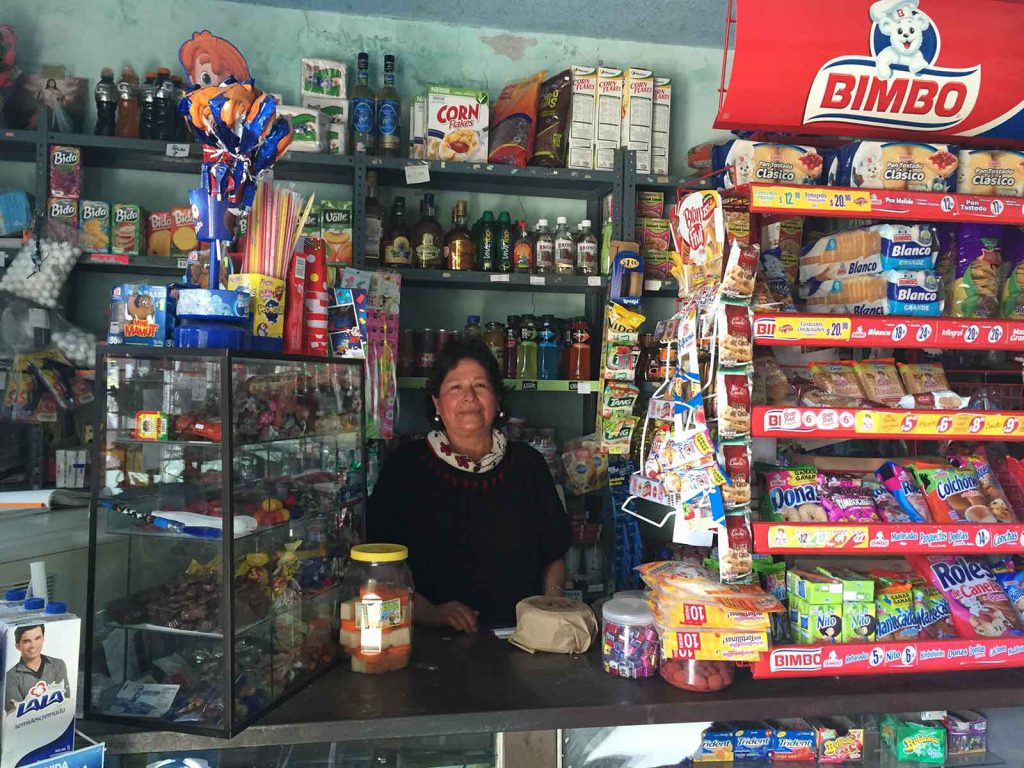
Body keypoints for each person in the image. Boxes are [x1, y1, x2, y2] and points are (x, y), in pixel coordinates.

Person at [368, 336, 571, 632]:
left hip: (521, 638)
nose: (469, 397)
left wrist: (550, 604)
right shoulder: (406, 467)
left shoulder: (528, 465)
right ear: (437, 403)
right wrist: (429, 613)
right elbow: (378, 564)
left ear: (497, 400)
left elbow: (554, 553)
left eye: (480, 386)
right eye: (455, 387)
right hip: (429, 641)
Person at [5, 623, 69, 713]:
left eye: (37, 638)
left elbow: (66, 704)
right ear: (18, 646)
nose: (33, 645)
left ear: (43, 639)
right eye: (26, 641)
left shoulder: (58, 665)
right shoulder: (10, 677)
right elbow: (15, 716)